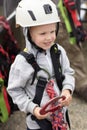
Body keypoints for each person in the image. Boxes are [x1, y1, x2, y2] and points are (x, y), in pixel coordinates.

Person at [7, 0, 75, 130]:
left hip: (61, 116)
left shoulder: (58, 51)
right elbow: (14, 90)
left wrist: (67, 90)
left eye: (52, 31)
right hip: (38, 123)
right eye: (43, 33)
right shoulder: (22, 62)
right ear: (28, 34)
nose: (49, 37)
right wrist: (33, 108)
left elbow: (68, 73)